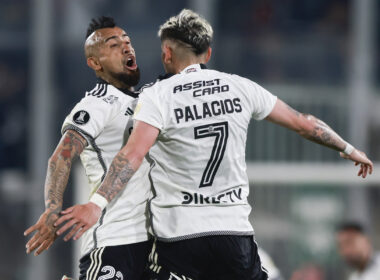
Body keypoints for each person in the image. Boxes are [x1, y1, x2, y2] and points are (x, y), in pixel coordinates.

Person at [54, 9, 373, 280]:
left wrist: (95, 204)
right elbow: (304, 124)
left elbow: (132, 155)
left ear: (166, 54)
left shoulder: (158, 96)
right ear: (207, 54)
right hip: (233, 233)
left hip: (178, 237)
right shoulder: (241, 87)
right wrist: (348, 148)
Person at [24, 16, 152, 280]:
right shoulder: (98, 103)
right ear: (95, 63)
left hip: (155, 239)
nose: (127, 47)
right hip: (116, 238)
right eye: (114, 45)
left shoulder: (149, 100)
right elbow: (61, 157)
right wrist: (52, 209)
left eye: (127, 42)